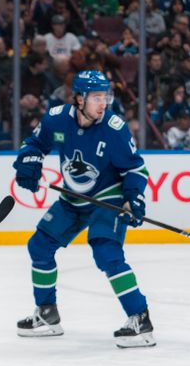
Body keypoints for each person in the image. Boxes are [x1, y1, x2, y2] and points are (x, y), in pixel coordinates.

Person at [13, 70, 155, 348]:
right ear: (79, 99)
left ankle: (140, 319)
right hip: (73, 199)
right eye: (97, 97)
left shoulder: (114, 128)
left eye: (106, 97)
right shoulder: (56, 118)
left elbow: (135, 168)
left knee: (106, 252)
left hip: (107, 197)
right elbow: (34, 144)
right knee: (39, 247)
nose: (104, 103)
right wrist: (29, 162)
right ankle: (47, 313)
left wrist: (133, 197)